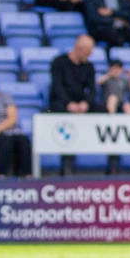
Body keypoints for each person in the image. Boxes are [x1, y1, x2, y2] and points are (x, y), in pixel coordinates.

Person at [49, 34, 97, 176]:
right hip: (61, 102)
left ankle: (112, 164)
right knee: (62, 114)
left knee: (104, 110)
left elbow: (92, 89)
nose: (90, 55)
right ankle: (66, 164)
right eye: (88, 52)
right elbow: (57, 87)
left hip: (81, 104)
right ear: (79, 48)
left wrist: (86, 103)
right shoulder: (59, 62)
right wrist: (69, 103)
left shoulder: (89, 66)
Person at [0, 73, 32, 177]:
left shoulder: (4, 96)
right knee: (5, 141)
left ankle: (26, 176)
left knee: (23, 141)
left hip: (6, 130)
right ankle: (1, 175)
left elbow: (12, 118)